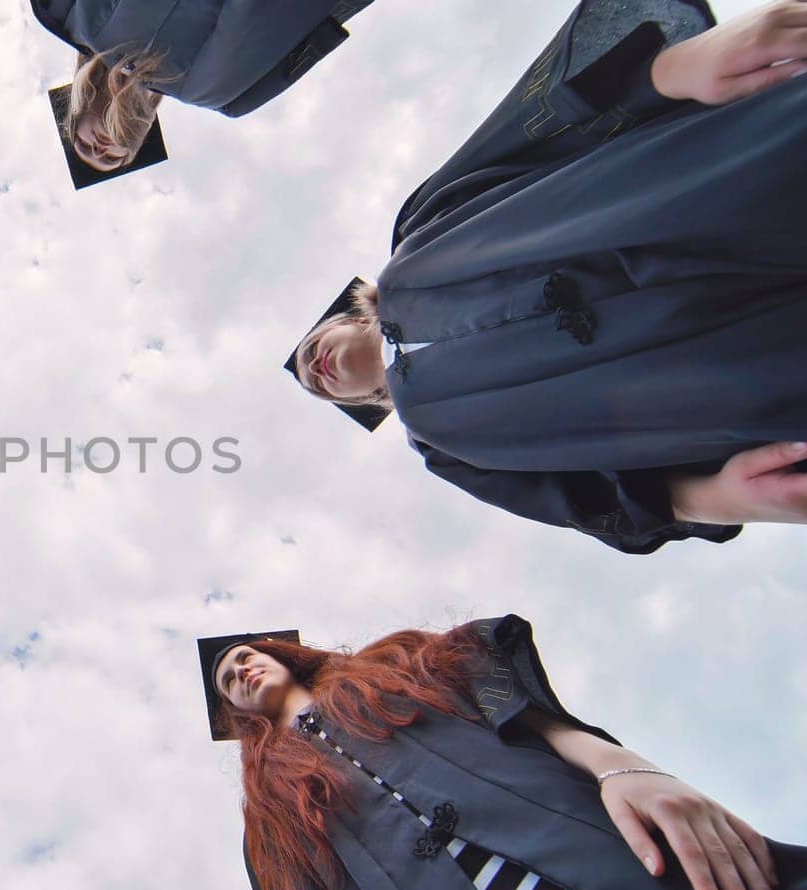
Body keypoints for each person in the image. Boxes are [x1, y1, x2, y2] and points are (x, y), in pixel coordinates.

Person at [284, 0, 807, 553]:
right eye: (316, 386)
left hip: (721, 188)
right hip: (743, 371)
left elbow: (545, 131)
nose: (314, 370)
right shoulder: (447, 446)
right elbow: (582, 502)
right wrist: (717, 498)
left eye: (308, 349)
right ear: (362, 400)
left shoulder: (418, 238)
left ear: (339, 318)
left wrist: (674, 70)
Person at [199, 617, 807, 890]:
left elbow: (506, 698)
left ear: (283, 654)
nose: (242, 670)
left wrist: (621, 766)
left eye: (249, 655)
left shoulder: (394, 666)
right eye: (228, 678)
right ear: (235, 712)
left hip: (599, 846)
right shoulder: (269, 817)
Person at [30, 0, 377, 172]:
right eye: (112, 158)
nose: (100, 149)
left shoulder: (67, 14)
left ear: (76, 115)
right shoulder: (212, 91)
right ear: (138, 138)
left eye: (86, 147)